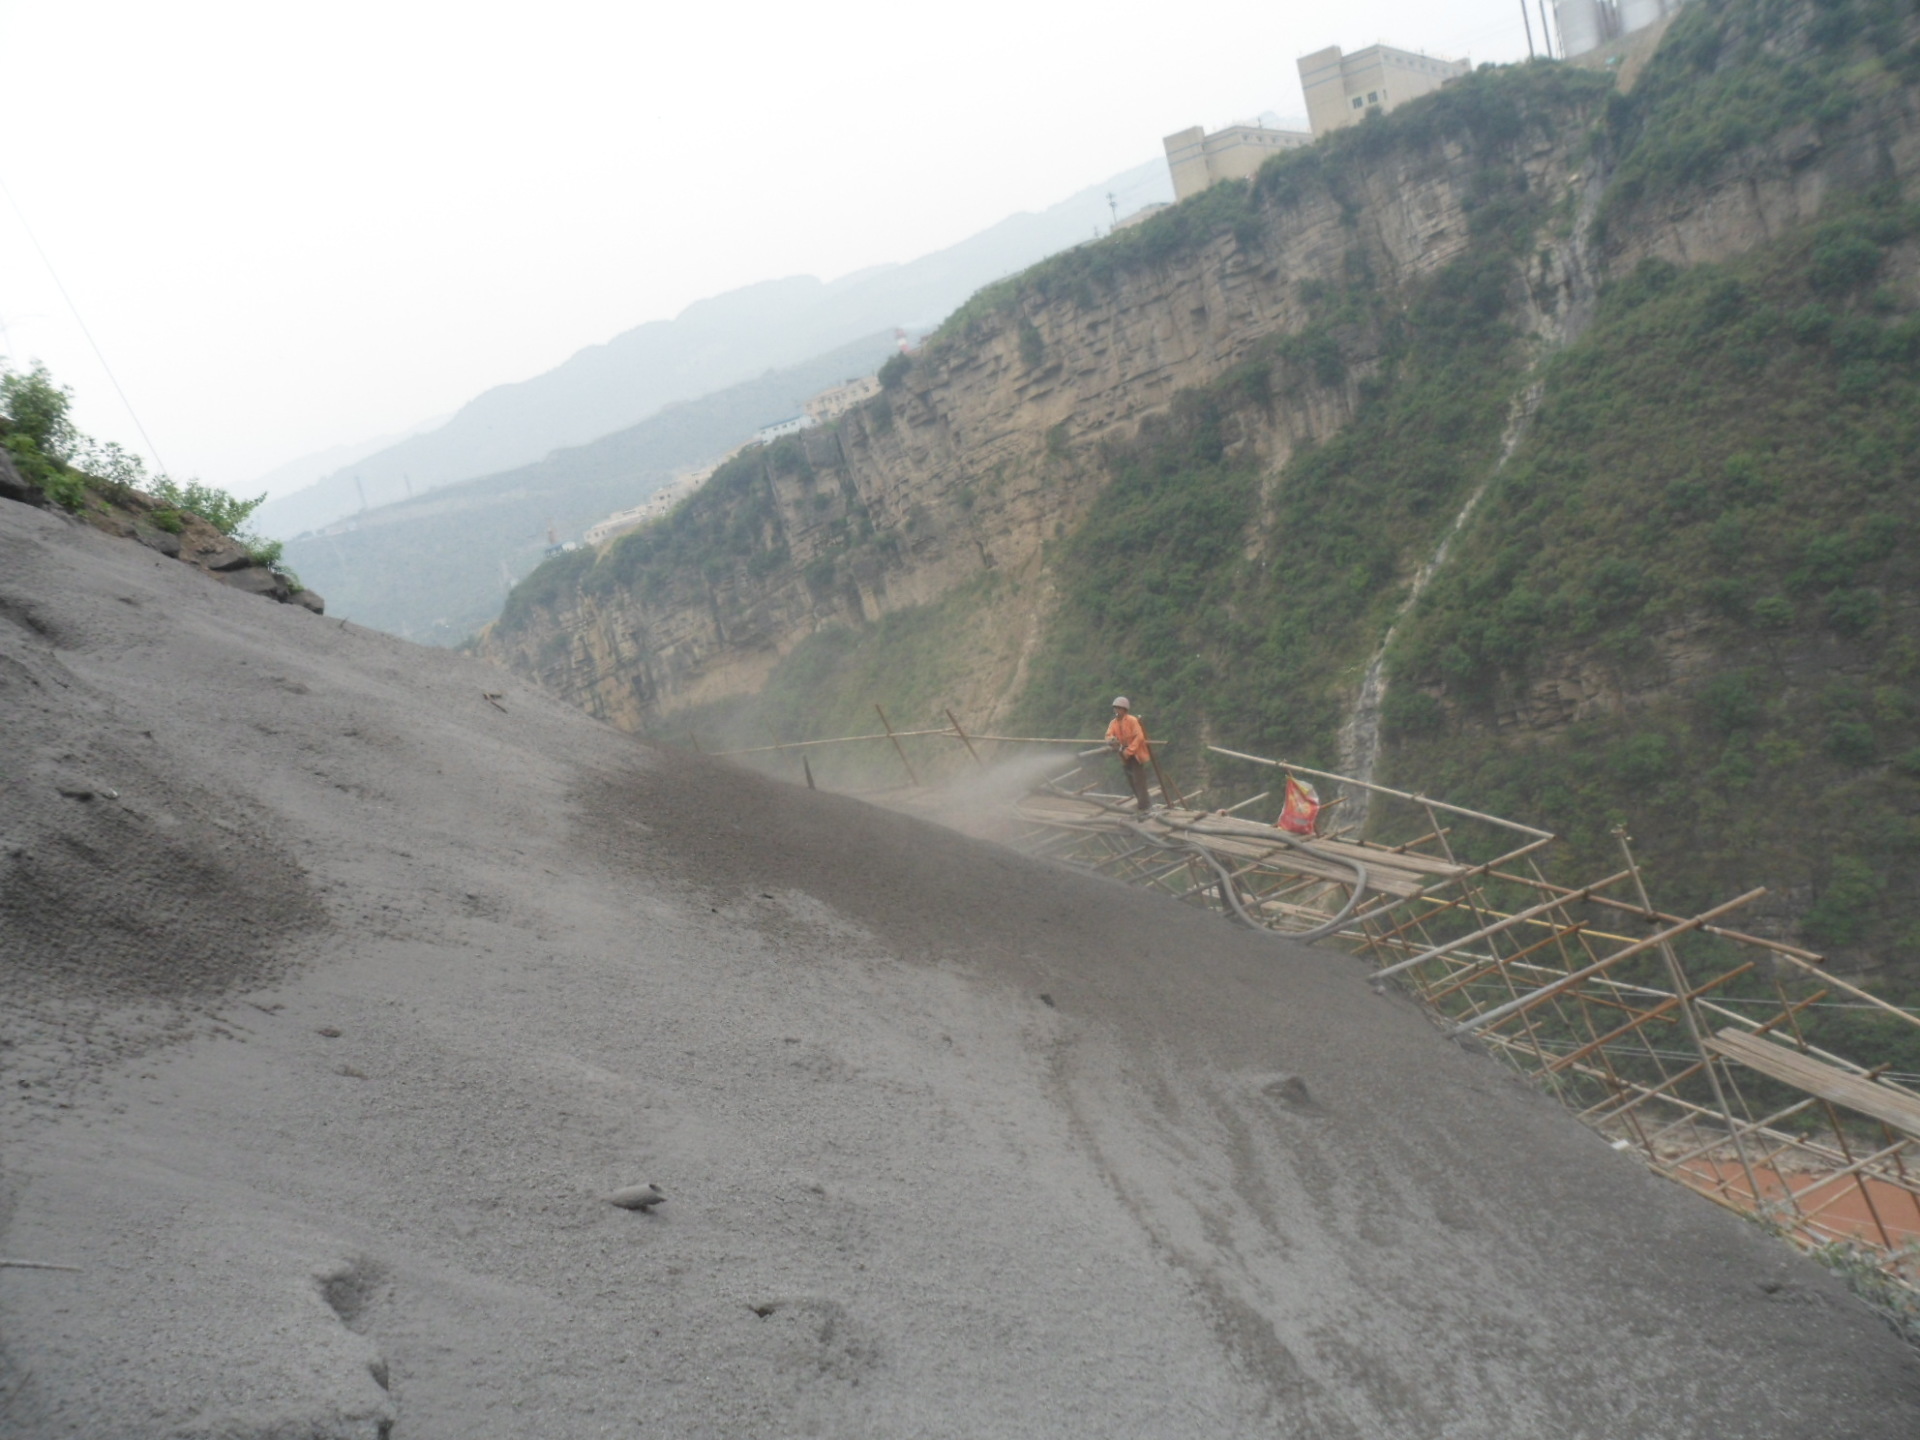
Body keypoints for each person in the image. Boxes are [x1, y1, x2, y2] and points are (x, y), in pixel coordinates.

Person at [1105, 696, 1154, 812]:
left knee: (1139, 780)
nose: (1116, 711)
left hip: (1136, 755)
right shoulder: (1114, 723)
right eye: (1115, 708)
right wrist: (1112, 740)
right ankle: (1141, 803)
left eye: (1118, 709)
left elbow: (1139, 736)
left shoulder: (1132, 720)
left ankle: (1145, 806)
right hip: (1124, 755)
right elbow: (1108, 735)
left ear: (1124, 710)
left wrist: (1129, 751)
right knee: (1131, 780)